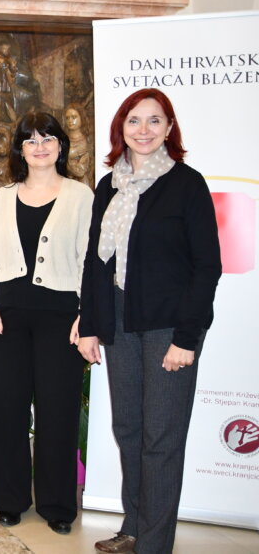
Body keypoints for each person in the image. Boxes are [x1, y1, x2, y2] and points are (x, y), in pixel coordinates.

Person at [73, 88, 221, 554]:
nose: (143, 130)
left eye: (154, 121)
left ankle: (154, 544)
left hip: (167, 329)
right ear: (121, 128)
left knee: (161, 436)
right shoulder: (108, 186)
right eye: (134, 121)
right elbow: (96, 265)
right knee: (129, 430)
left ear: (169, 129)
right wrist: (91, 322)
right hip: (118, 322)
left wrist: (187, 337)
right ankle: (134, 528)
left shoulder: (186, 184)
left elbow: (206, 267)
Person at [0, 111, 93, 533]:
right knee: (6, 409)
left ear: (61, 146)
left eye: (48, 138)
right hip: (6, 318)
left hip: (61, 318)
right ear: (20, 150)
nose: (39, 146)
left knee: (56, 412)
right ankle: (9, 498)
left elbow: (88, 261)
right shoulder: (4, 196)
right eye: (30, 140)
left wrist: (86, 315)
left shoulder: (81, 196)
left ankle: (58, 506)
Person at [64, 102, 94, 187]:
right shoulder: (63, 140)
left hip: (81, 184)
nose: (70, 121)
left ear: (81, 118)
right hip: (65, 183)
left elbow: (80, 171)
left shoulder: (87, 141)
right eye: (67, 118)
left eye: (74, 117)